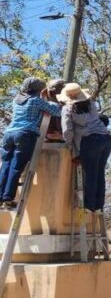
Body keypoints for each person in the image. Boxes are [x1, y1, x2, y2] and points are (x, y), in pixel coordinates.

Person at [0, 78, 61, 208]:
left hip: (9, 134)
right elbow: (56, 111)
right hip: (24, 134)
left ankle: (1, 197)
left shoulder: (16, 100)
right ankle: (7, 199)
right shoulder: (36, 100)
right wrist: (51, 99)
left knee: (5, 166)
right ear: (39, 90)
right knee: (16, 167)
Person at [58, 82, 111, 214]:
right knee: (99, 173)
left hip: (90, 140)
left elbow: (67, 130)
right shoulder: (90, 103)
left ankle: (90, 206)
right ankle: (99, 206)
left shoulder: (67, 108)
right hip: (106, 138)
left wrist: (69, 143)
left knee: (91, 174)